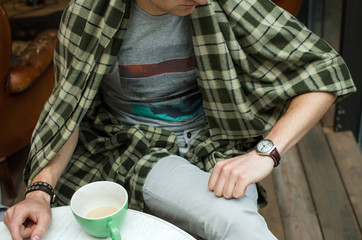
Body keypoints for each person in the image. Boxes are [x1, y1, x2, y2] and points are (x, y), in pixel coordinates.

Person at [3, 0, 356, 239]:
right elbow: (70, 109)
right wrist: (39, 190)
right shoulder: (90, 13)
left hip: (219, 138)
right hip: (137, 145)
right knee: (236, 223)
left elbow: (324, 69)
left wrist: (265, 153)